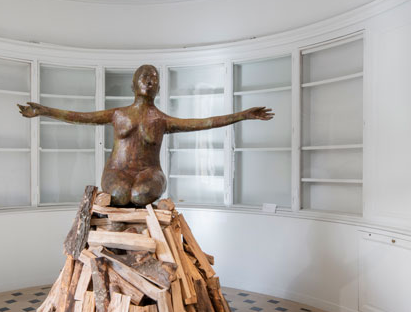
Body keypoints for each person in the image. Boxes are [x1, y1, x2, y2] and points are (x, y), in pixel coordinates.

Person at [18, 64, 273, 206]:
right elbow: (79, 116)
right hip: (116, 171)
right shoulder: (118, 114)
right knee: (118, 193)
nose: (149, 80)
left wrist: (242, 115)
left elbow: (203, 122)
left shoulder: (162, 120)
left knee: (140, 194)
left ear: (159, 87)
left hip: (149, 173)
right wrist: (44, 111)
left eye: (153, 78)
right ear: (133, 84)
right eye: (143, 76)